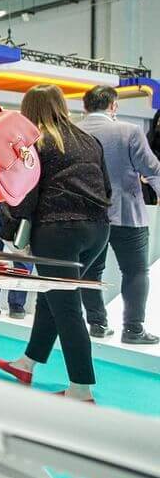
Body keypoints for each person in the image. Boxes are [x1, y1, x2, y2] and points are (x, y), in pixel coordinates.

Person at [0, 86, 111, 402]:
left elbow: (24, 194)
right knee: (53, 297)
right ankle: (26, 364)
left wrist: (11, 233)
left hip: (58, 231)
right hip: (98, 230)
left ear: (28, 110)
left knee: (67, 308)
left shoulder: (35, 143)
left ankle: (81, 390)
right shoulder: (89, 140)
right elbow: (106, 187)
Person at [78, 85, 160, 344]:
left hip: (87, 215)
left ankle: (97, 324)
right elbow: (152, 169)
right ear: (113, 106)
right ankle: (133, 330)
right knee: (135, 271)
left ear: (85, 106)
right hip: (126, 214)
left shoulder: (73, 131)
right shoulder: (129, 131)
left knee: (90, 271)